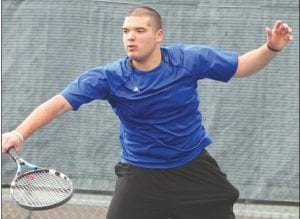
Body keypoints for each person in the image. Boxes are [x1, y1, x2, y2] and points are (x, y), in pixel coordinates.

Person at [2, 5, 293, 219]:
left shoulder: (188, 60)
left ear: (158, 35)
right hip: (141, 173)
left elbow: (242, 66)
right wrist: (19, 132)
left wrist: (271, 47)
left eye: (140, 31)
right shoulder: (108, 77)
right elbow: (59, 103)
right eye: (126, 31)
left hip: (191, 166)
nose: (131, 37)